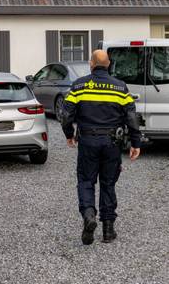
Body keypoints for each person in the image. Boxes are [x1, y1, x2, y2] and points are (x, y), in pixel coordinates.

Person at [61, 49, 142, 245]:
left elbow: (66, 115)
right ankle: (108, 230)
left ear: (91, 64)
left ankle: (89, 215)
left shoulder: (79, 86)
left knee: (85, 181)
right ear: (109, 64)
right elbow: (131, 117)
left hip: (87, 142)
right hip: (112, 143)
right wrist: (136, 142)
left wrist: (69, 135)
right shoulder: (120, 87)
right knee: (108, 183)